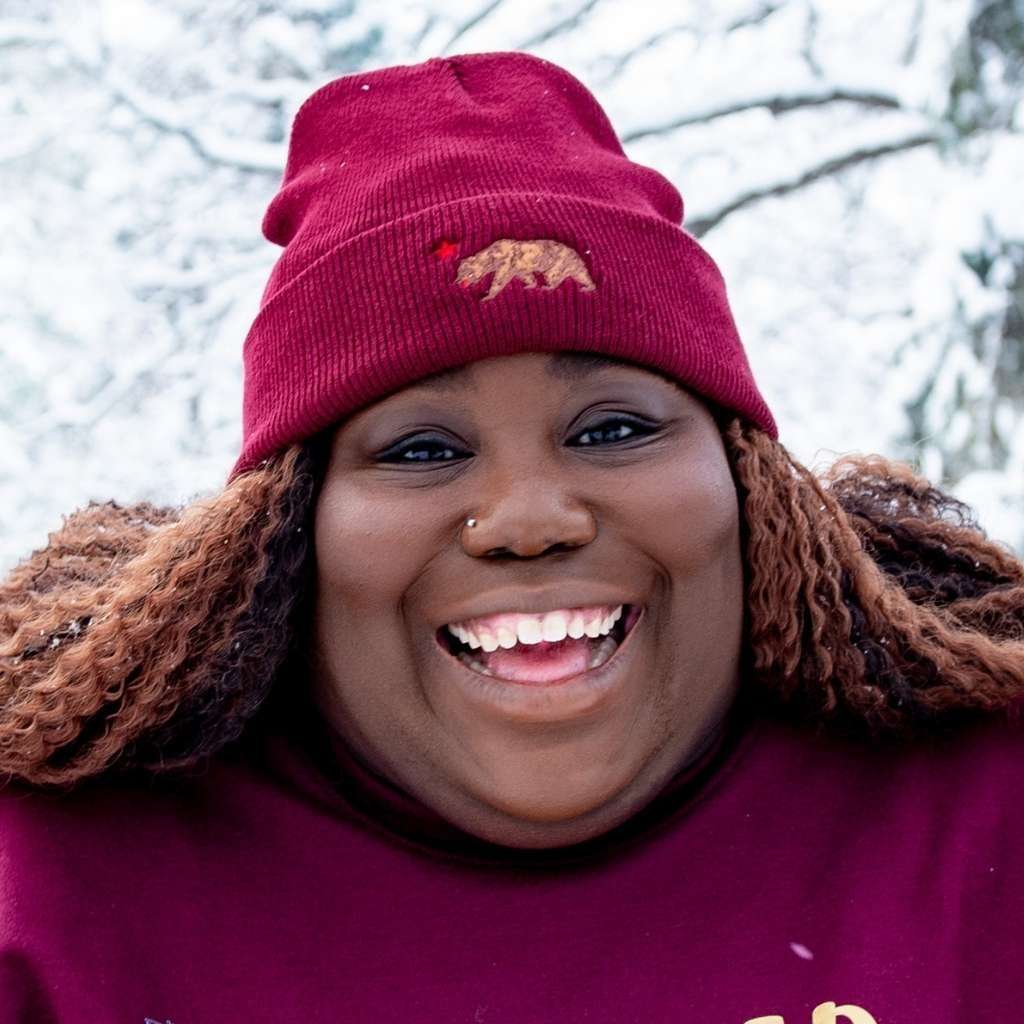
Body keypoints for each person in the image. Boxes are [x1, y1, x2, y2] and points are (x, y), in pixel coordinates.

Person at [1, 50, 1022, 1024]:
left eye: (613, 428)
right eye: (418, 449)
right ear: (283, 529)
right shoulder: (53, 896)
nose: (531, 519)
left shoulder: (987, 823)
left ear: (753, 483)